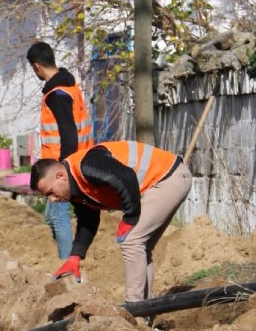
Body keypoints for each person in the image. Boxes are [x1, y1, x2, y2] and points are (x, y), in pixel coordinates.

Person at [30, 140, 192, 303]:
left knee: (132, 241)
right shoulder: (74, 189)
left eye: (51, 192)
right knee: (141, 246)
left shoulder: (88, 166)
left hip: (168, 178)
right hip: (162, 181)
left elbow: (126, 176)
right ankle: (145, 312)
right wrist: (75, 257)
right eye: (47, 196)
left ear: (61, 177)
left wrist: (130, 217)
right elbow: (88, 220)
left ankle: (133, 308)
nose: (52, 200)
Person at [26, 42, 93, 259]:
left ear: (37, 67)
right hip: (75, 162)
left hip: (61, 169)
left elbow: (69, 135)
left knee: (59, 217)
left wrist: (61, 171)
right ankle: (70, 260)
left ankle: (68, 266)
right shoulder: (69, 87)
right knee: (51, 216)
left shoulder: (57, 94)